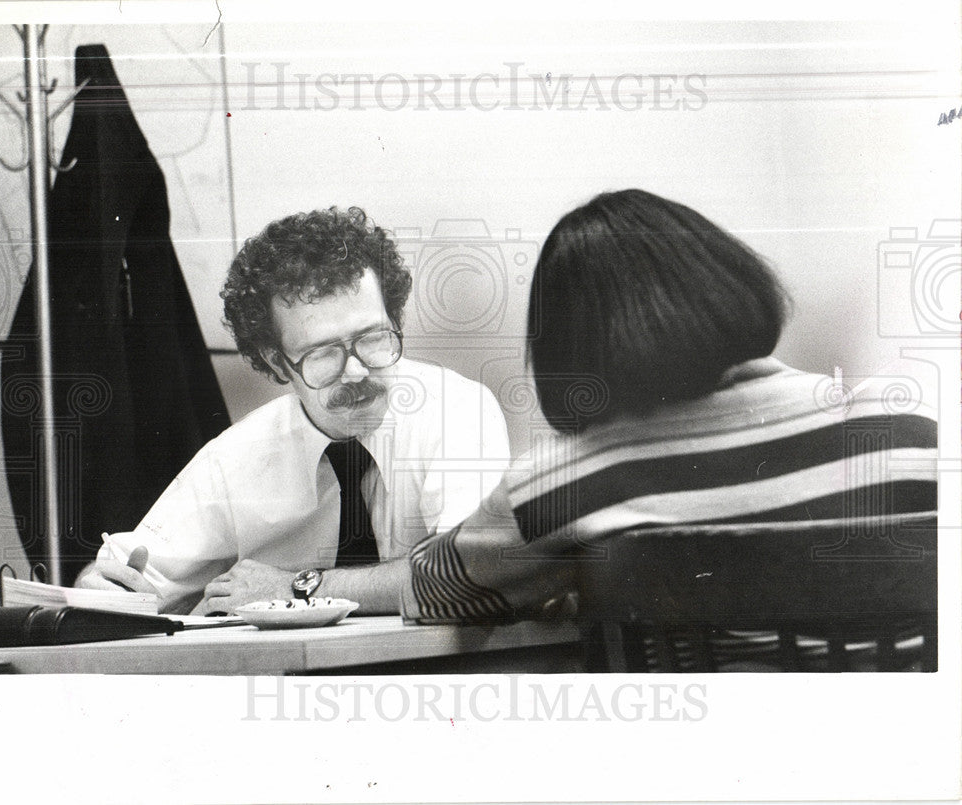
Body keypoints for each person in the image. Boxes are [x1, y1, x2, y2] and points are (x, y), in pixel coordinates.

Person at [400, 189, 939, 623]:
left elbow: (432, 591)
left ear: (568, 348)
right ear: (730, 280)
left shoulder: (564, 485)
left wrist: (562, 569)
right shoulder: (907, 432)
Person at [75, 206, 510, 614]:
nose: (357, 372)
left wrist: (296, 588)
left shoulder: (457, 412)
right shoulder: (236, 457)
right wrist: (99, 588)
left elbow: (467, 573)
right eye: (323, 353)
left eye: (373, 337)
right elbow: (126, 573)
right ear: (275, 361)